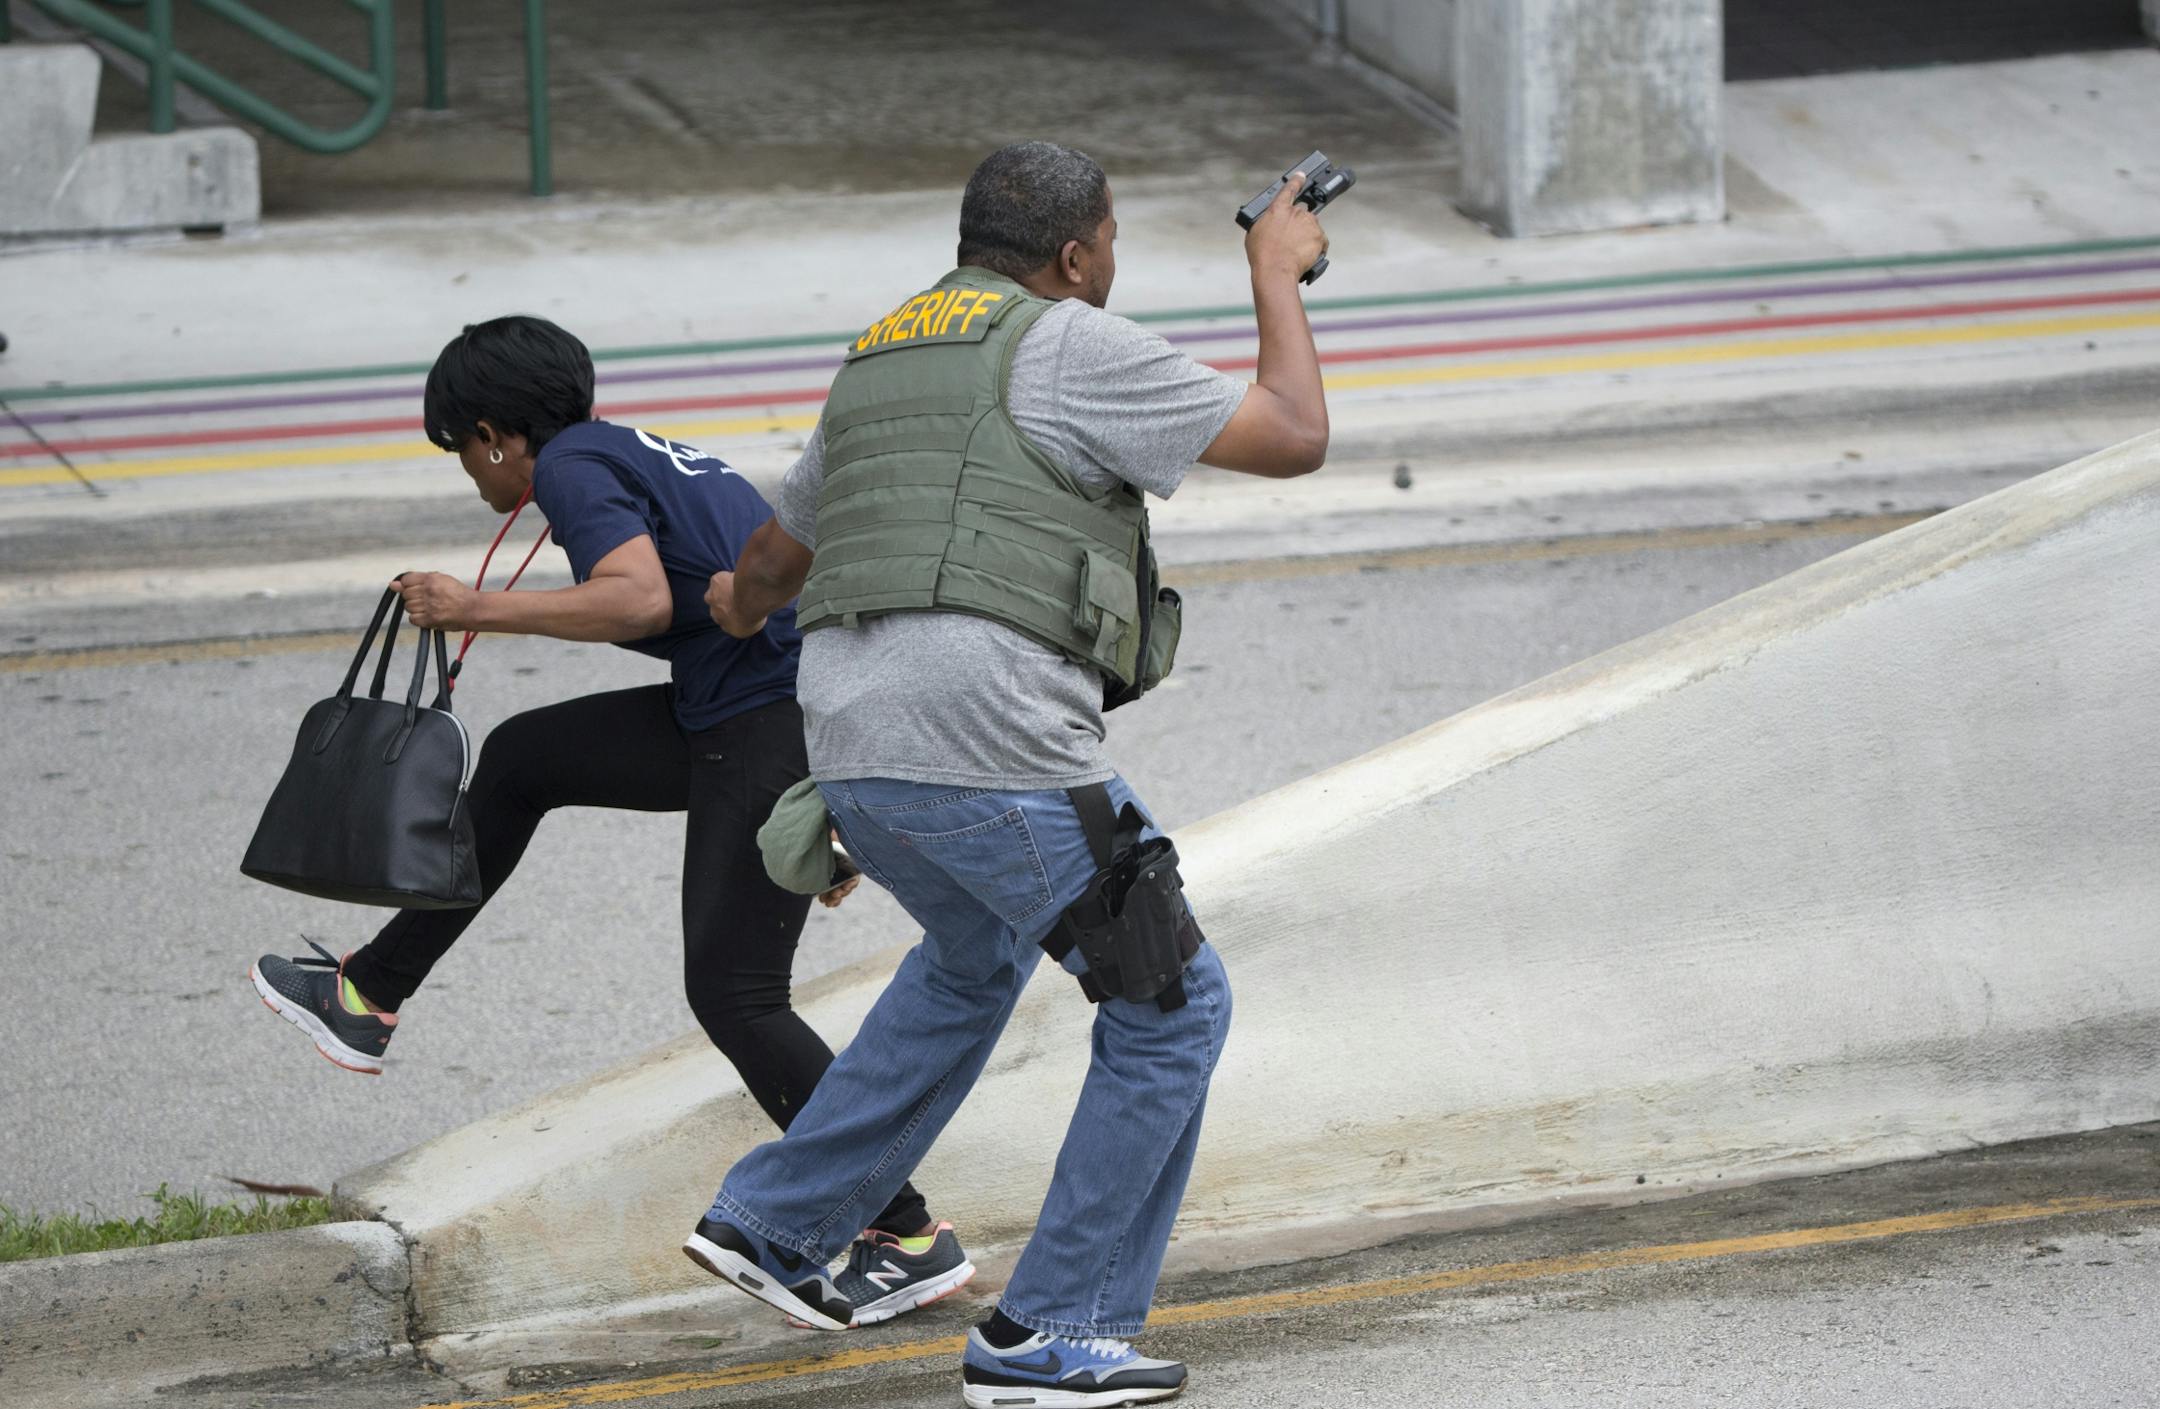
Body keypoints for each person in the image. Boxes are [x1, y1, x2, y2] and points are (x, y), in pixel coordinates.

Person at [685, 142, 1329, 1406]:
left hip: (857, 751)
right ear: (1076, 254)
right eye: (1111, 246)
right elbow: (1295, 433)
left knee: (973, 956)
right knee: (1171, 1005)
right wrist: (1277, 271)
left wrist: (730, 601)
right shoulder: (1072, 341)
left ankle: (777, 1218)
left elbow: (775, 552)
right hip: (991, 745)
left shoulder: (882, 353)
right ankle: (1050, 1329)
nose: (1109, 267)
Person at [247, 316, 972, 1326]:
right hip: (748, 705)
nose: (469, 472)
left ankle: (903, 1229)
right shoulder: (623, 450)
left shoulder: (576, 467)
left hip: (764, 720)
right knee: (526, 757)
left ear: (497, 434)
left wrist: (472, 607)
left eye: (463, 449)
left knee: (736, 991)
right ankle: (369, 990)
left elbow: (631, 598)